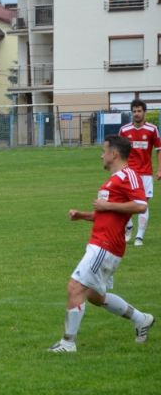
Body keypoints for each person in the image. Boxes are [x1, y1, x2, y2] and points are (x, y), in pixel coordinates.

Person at [48, 135, 154, 353]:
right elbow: (106, 214)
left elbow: (141, 205)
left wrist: (108, 205)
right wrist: (83, 215)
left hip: (105, 245)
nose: (101, 155)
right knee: (95, 296)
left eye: (103, 150)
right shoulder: (113, 179)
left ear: (114, 153)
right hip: (99, 242)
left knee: (75, 287)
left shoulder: (129, 175)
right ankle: (141, 319)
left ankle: (68, 343)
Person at [119, 99, 161, 246]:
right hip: (129, 173)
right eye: (134, 111)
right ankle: (129, 224)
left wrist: (159, 169)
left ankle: (139, 237)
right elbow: (119, 150)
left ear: (144, 112)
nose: (136, 114)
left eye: (139, 111)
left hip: (146, 174)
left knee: (143, 204)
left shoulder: (152, 129)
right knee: (124, 202)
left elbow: (158, 150)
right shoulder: (124, 130)